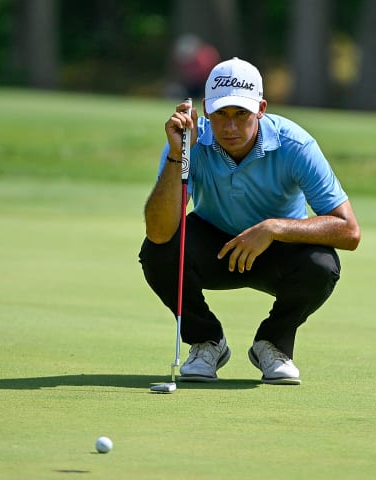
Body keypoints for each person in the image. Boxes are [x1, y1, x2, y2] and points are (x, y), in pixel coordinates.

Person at [139, 57, 360, 385]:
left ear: (261, 108)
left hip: (279, 250)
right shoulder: (189, 143)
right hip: (215, 244)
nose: (229, 127)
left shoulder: (295, 144)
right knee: (158, 252)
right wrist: (177, 155)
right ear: (205, 110)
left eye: (240, 114)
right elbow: (158, 232)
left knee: (322, 265)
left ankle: (273, 344)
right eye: (220, 115)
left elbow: (349, 230)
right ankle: (206, 342)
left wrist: (273, 228)